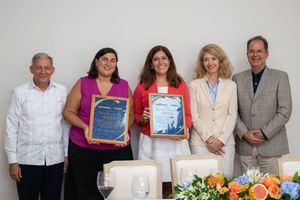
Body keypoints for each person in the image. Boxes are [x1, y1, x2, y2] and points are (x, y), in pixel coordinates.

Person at [63, 47, 134, 200]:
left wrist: (123, 132)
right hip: (84, 149)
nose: (108, 63)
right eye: (104, 59)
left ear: (116, 64)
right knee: (85, 193)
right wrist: (85, 127)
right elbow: (68, 112)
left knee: (118, 193)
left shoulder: (124, 85)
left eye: (113, 60)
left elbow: (131, 115)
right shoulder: (83, 83)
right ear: (96, 61)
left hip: (117, 150)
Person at [4, 53, 69, 200]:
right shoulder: (19, 92)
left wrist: (65, 153)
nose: (43, 71)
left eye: (47, 67)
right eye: (38, 67)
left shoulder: (62, 91)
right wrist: (12, 161)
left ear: (53, 70)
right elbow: (11, 127)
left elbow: (65, 124)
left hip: (55, 158)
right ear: (31, 69)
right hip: (27, 160)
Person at [133, 45, 192, 198]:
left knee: (177, 185)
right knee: (151, 185)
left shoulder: (181, 84)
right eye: (156, 59)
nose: (160, 62)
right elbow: (136, 116)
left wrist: (184, 130)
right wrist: (143, 119)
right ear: (151, 64)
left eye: (164, 58)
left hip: (176, 143)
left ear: (170, 62)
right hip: (151, 145)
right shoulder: (142, 86)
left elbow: (187, 115)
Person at [233, 36, 292, 175]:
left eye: (259, 51)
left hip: (272, 146)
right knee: (245, 193)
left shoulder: (280, 77)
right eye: (251, 51)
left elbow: (285, 111)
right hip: (245, 147)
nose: (255, 55)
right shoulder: (237, 78)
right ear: (247, 54)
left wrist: (264, 133)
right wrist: (245, 134)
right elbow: (232, 111)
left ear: (267, 54)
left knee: (273, 192)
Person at [189, 44, 237, 178]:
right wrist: (209, 139)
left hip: (225, 144)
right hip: (200, 143)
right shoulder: (194, 85)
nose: (210, 63)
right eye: (206, 59)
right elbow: (194, 116)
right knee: (200, 186)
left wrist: (220, 140)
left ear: (220, 61)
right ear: (202, 63)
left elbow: (232, 115)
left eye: (214, 58)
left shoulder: (231, 85)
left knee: (225, 185)